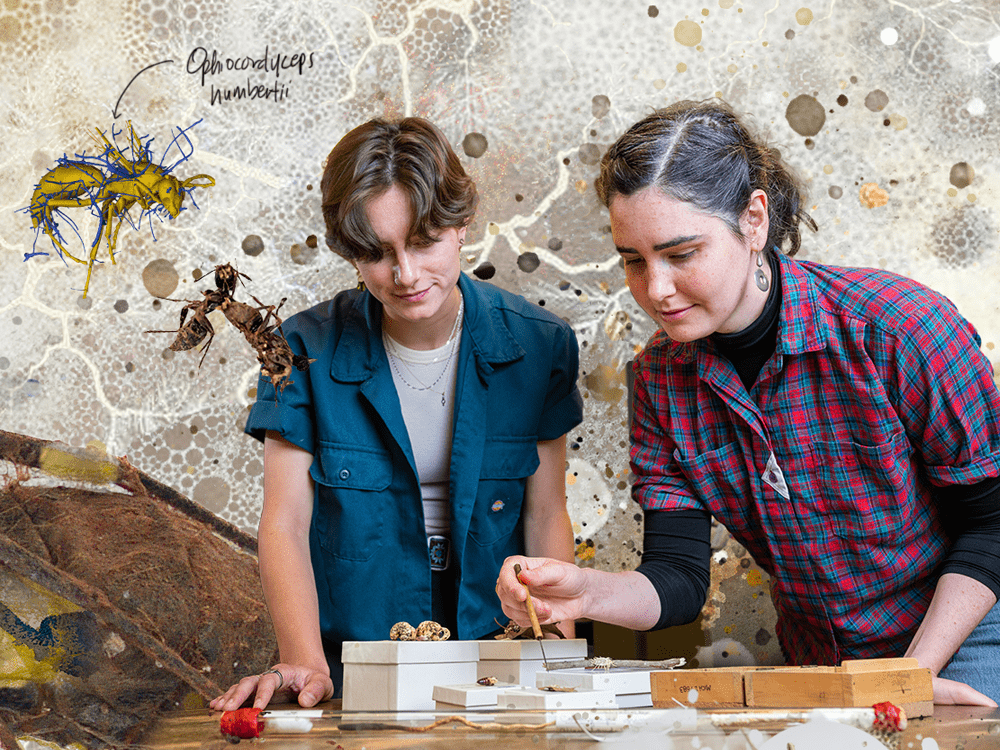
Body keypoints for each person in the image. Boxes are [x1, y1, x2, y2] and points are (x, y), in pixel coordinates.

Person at [496, 99, 1000, 706]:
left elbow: (992, 524)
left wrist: (903, 680)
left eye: (681, 254)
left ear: (754, 219)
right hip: (823, 657)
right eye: (634, 261)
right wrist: (585, 592)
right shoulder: (659, 379)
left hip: (966, 636)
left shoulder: (898, 328)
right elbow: (678, 578)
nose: (655, 290)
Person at [211, 116, 583, 710]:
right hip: (357, 663)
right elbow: (284, 522)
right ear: (351, 253)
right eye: (377, 254)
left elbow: (545, 513)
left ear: (461, 226)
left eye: (423, 241)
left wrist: (552, 649)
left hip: (500, 659)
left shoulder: (541, 346)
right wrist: (303, 661)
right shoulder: (300, 349)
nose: (405, 275)